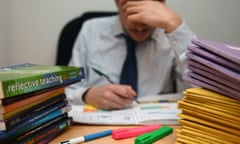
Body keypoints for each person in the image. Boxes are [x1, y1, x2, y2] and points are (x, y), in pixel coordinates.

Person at [66, 0, 196, 110]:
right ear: (117, 2)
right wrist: (87, 95)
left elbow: (203, 93)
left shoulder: (173, 37)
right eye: (131, 11)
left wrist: (176, 26)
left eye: (146, 12)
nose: (139, 27)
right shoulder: (90, 31)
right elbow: (65, 94)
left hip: (155, 127)